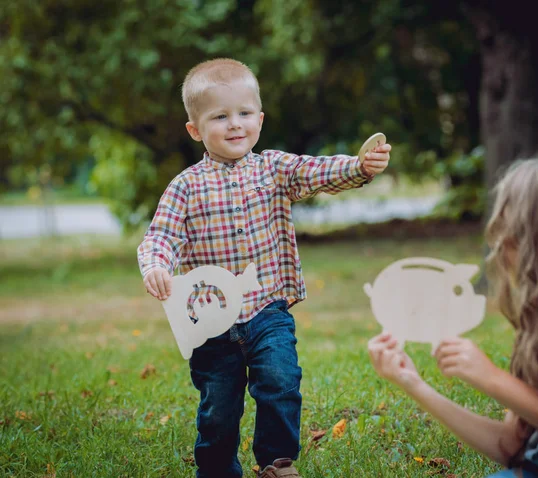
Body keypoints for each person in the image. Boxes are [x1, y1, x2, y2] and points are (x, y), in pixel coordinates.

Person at [138, 57, 391, 478]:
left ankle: (277, 463)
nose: (235, 124)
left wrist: (358, 167)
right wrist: (155, 266)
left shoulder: (273, 169)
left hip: (267, 310)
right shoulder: (185, 187)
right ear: (195, 130)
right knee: (219, 409)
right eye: (220, 117)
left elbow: (315, 172)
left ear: (260, 118)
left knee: (280, 381)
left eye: (243, 114)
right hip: (212, 323)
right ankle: (217, 469)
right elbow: (160, 237)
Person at [368, 151, 538, 477]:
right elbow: (511, 446)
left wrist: (491, 378)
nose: (502, 241)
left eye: (514, 227)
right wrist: (414, 384)